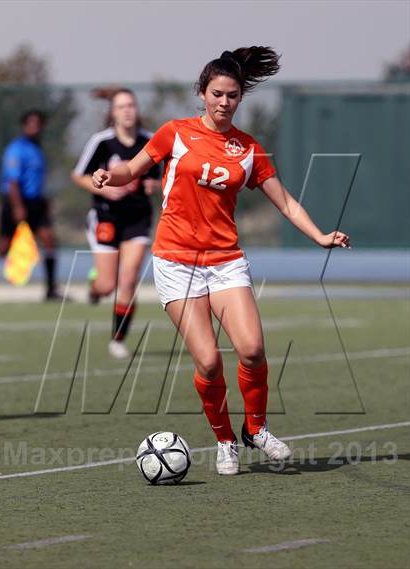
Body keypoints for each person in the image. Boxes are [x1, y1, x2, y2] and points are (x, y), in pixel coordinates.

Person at [92, 47, 351, 475]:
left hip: (225, 261)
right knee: (209, 362)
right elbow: (133, 169)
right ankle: (225, 441)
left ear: (239, 98)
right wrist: (109, 175)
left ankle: (256, 428)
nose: (224, 102)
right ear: (202, 92)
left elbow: (285, 202)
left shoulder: (249, 149)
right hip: (176, 262)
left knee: (251, 349)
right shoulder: (174, 132)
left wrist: (320, 235)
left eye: (232, 95)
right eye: (216, 94)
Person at [71, 88, 160, 359]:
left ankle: (118, 340)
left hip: (137, 218)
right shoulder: (102, 142)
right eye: (121, 106)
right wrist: (103, 189)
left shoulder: (151, 141)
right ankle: (95, 287)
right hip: (106, 217)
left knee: (129, 277)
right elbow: (78, 175)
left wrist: (154, 185)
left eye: (131, 105)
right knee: (108, 285)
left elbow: (165, 177)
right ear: (112, 112)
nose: (128, 110)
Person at [0, 110, 61, 300]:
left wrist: (43, 202)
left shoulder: (37, 149)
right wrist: (17, 207)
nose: (35, 126)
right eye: (31, 123)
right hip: (16, 201)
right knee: (3, 247)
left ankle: (51, 289)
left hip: (35, 204)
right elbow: (12, 182)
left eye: (38, 123)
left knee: (48, 240)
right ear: (24, 125)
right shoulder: (16, 149)